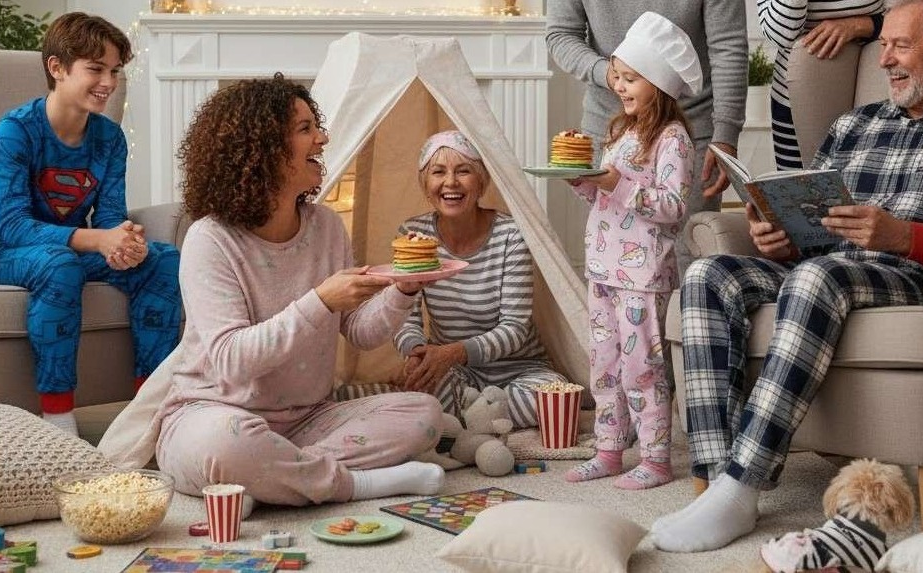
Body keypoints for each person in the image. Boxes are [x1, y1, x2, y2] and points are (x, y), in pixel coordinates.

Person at [652, 0, 923, 552]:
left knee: (818, 277)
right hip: (822, 269)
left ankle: (743, 486)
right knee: (707, 275)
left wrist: (902, 236)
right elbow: (814, 222)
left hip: (915, 278)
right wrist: (779, 238)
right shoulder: (853, 124)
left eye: (899, 46)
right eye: (883, 45)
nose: (884, 61)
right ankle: (716, 478)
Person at [153, 74, 446, 507]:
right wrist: (320, 300)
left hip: (309, 419)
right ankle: (352, 484)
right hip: (212, 415)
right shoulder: (210, 239)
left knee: (423, 415)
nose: (323, 138)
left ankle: (274, 479)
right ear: (261, 148)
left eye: (317, 126)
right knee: (228, 446)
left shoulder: (326, 226)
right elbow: (233, 361)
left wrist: (403, 289)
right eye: (305, 129)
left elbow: (361, 332)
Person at [0, 12, 181, 436]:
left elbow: (111, 215)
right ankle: (59, 418)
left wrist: (123, 240)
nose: (109, 82)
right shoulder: (14, 132)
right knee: (58, 263)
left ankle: (149, 407)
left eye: (114, 70)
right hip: (6, 252)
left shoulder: (109, 138)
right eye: (96, 69)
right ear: (57, 68)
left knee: (163, 259)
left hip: (74, 250)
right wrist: (98, 239)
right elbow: (11, 226)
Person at [560, 12, 697, 491]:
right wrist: (586, 183)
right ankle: (609, 449)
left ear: (659, 83)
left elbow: (673, 207)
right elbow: (607, 194)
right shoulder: (621, 131)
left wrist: (616, 184)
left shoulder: (673, 140)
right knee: (604, 364)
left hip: (643, 275)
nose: (619, 86)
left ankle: (656, 458)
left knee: (642, 367)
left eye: (630, 78)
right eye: (617, 76)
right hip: (603, 267)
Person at [546, 0, 748, 280]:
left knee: (691, 257)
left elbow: (728, 47)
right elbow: (560, 35)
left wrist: (726, 135)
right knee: (611, 250)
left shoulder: (680, 139)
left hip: (691, 127)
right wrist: (614, 74)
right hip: (608, 127)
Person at [394, 130, 570, 428]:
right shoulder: (412, 234)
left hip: (519, 369)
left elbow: (514, 329)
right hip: (454, 372)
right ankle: (484, 422)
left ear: (481, 182)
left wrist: (454, 353)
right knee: (423, 399)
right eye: (438, 172)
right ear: (426, 184)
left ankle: (467, 424)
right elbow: (404, 317)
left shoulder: (511, 234)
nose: (450, 182)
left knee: (553, 398)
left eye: (463, 171)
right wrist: (415, 352)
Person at [759, 0, 886, 170]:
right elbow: (781, 34)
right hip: (800, 91)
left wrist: (861, 25)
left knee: (876, 183)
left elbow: (921, 14)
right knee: (804, 190)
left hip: (881, 70)